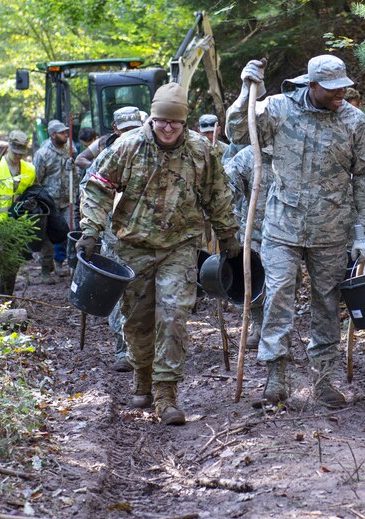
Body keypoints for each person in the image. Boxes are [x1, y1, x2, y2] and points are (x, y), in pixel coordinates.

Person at [78, 83, 238, 425]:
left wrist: (229, 237)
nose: (167, 128)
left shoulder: (200, 151)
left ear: (184, 123)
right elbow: (97, 187)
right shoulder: (128, 146)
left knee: (173, 316)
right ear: (151, 119)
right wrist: (91, 230)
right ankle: (142, 375)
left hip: (179, 247)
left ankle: (167, 393)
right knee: (136, 321)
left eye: (175, 123)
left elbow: (218, 196)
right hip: (131, 247)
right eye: (161, 121)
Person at [226, 55, 365, 408]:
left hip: (332, 229)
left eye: (344, 86)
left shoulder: (355, 121)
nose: (341, 93)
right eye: (332, 88)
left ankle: (324, 378)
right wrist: (248, 93)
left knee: (327, 303)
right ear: (311, 85)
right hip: (282, 227)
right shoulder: (278, 109)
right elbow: (237, 130)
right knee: (277, 293)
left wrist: (363, 231)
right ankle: (275, 375)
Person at [75, 106, 145, 374]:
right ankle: (123, 347)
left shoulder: (151, 152)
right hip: (115, 236)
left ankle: (147, 345)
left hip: (148, 237)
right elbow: (89, 192)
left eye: (134, 129)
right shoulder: (105, 157)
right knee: (120, 290)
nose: (130, 134)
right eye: (125, 130)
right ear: (115, 130)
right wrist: (93, 230)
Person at [223, 145, 274, 349]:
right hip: (254, 230)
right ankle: (259, 326)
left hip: (289, 231)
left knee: (282, 284)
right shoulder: (247, 157)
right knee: (253, 280)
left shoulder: (297, 149)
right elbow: (226, 191)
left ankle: (275, 331)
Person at [0, 130, 37, 295]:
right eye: (15, 152)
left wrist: (30, 204)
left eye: (21, 153)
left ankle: (6, 296)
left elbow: (34, 192)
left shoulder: (30, 170)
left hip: (17, 224)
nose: (18, 156)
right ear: (9, 146)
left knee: (12, 263)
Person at [33, 119, 73, 282]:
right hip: (49, 203)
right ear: (52, 135)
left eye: (66, 132)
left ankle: (59, 263)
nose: (66, 135)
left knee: (66, 232)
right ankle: (44, 270)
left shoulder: (70, 148)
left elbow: (73, 173)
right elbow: (37, 179)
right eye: (62, 132)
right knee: (47, 237)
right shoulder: (42, 154)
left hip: (66, 200)